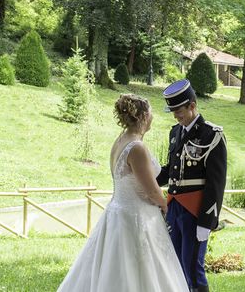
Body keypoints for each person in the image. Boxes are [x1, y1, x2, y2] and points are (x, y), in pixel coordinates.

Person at [57, 94, 190, 292]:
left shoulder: (121, 140)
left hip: (117, 211)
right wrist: (164, 205)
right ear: (144, 116)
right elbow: (151, 190)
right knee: (139, 270)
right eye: (151, 112)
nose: (153, 117)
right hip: (136, 217)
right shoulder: (137, 148)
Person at [156, 79, 227, 292]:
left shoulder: (211, 134)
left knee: (192, 268)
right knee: (174, 267)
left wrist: (207, 221)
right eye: (173, 111)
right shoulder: (175, 132)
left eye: (179, 110)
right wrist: (145, 175)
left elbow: (216, 182)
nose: (175, 115)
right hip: (174, 208)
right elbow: (172, 172)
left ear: (192, 105)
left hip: (195, 211)